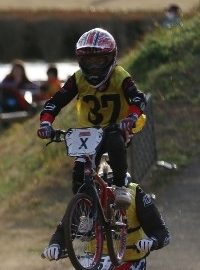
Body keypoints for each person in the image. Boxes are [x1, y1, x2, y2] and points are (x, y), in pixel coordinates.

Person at [37, 28, 147, 209]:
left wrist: (132, 117)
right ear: (81, 61)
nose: (94, 67)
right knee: (79, 178)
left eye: (99, 61)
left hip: (116, 128)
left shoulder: (120, 76)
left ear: (110, 58)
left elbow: (138, 98)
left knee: (114, 139)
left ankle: (120, 186)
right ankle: (84, 212)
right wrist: (46, 123)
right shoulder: (78, 78)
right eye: (89, 62)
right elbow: (56, 101)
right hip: (88, 133)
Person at [42, 170, 171, 270]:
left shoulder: (135, 194)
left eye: (114, 191)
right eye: (101, 190)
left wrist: (152, 241)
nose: (107, 196)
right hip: (93, 261)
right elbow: (66, 228)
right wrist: (55, 245)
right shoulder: (88, 197)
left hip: (129, 261)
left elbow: (161, 231)